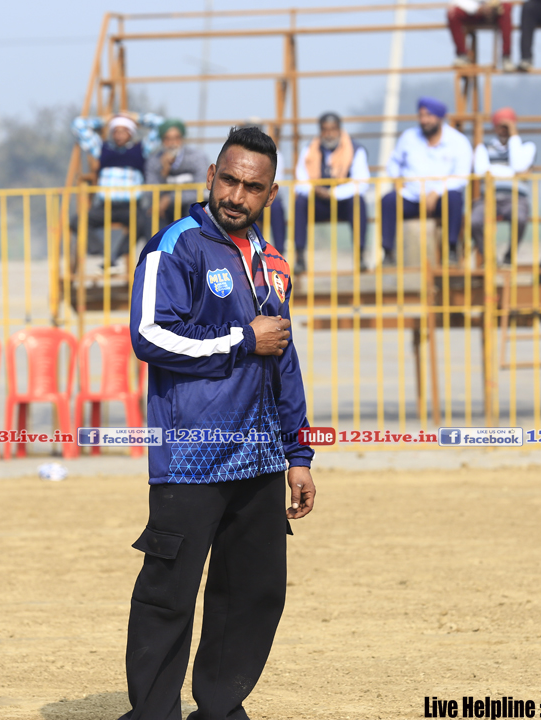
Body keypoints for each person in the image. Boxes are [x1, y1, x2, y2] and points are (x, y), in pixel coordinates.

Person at [124, 126, 316, 720]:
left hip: (260, 458)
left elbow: (283, 356)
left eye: (252, 187)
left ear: (271, 194)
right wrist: (240, 340)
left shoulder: (272, 261)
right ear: (210, 175)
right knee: (168, 596)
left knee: (254, 593)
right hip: (192, 453)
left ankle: (221, 709)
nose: (236, 195)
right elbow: (149, 336)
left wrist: (299, 454)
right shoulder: (173, 246)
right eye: (228, 180)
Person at [382, 97, 472, 265]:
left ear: (440, 117)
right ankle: (387, 253)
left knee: (454, 199)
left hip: (440, 198)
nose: (424, 120)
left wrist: (436, 192)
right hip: (411, 196)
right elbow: (394, 162)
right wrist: (397, 180)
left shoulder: (458, 141)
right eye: (421, 115)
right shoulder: (409, 137)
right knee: (388, 201)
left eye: (429, 116)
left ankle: (452, 250)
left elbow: (461, 176)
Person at [70, 111, 164, 268]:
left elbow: (162, 126)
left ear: (131, 133)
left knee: (144, 222)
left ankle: (117, 254)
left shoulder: (141, 149)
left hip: (130, 207)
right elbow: (78, 125)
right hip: (105, 206)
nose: (119, 135)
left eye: (123, 131)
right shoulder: (102, 149)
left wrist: (136, 117)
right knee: (78, 221)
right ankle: (103, 253)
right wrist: (103, 121)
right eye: (115, 131)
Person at [293, 112, 371, 273]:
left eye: (333, 129)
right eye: (325, 130)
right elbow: (300, 181)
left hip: (343, 203)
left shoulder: (355, 149)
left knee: (358, 202)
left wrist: (334, 194)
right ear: (320, 131)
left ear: (340, 130)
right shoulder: (309, 149)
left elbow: (362, 183)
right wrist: (315, 190)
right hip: (318, 202)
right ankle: (299, 257)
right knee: (299, 202)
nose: (329, 134)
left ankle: (360, 255)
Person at [471, 107, 537, 264]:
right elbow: (481, 171)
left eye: (507, 126)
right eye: (500, 125)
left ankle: (509, 255)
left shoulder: (526, 147)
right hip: (489, 197)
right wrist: (514, 173)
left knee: (519, 218)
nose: (503, 129)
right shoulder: (483, 148)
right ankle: (489, 257)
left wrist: (514, 137)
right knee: (474, 221)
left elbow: (519, 165)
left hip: (516, 197)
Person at [145, 118, 211, 227]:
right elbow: (151, 193)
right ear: (162, 140)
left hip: (190, 207)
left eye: (176, 138)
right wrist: (164, 171)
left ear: (182, 139)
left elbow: (202, 189)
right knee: (150, 215)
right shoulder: (154, 160)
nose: (172, 143)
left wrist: (170, 199)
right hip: (165, 210)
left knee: (193, 210)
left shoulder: (197, 157)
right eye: (167, 139)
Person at [448, 0, 516, 70]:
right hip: (473, 11)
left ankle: (506, 57)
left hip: (495, 10)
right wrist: (477, 8)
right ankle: (462, 55)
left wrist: (493, 4)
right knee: (453, 11)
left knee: (506, 7)